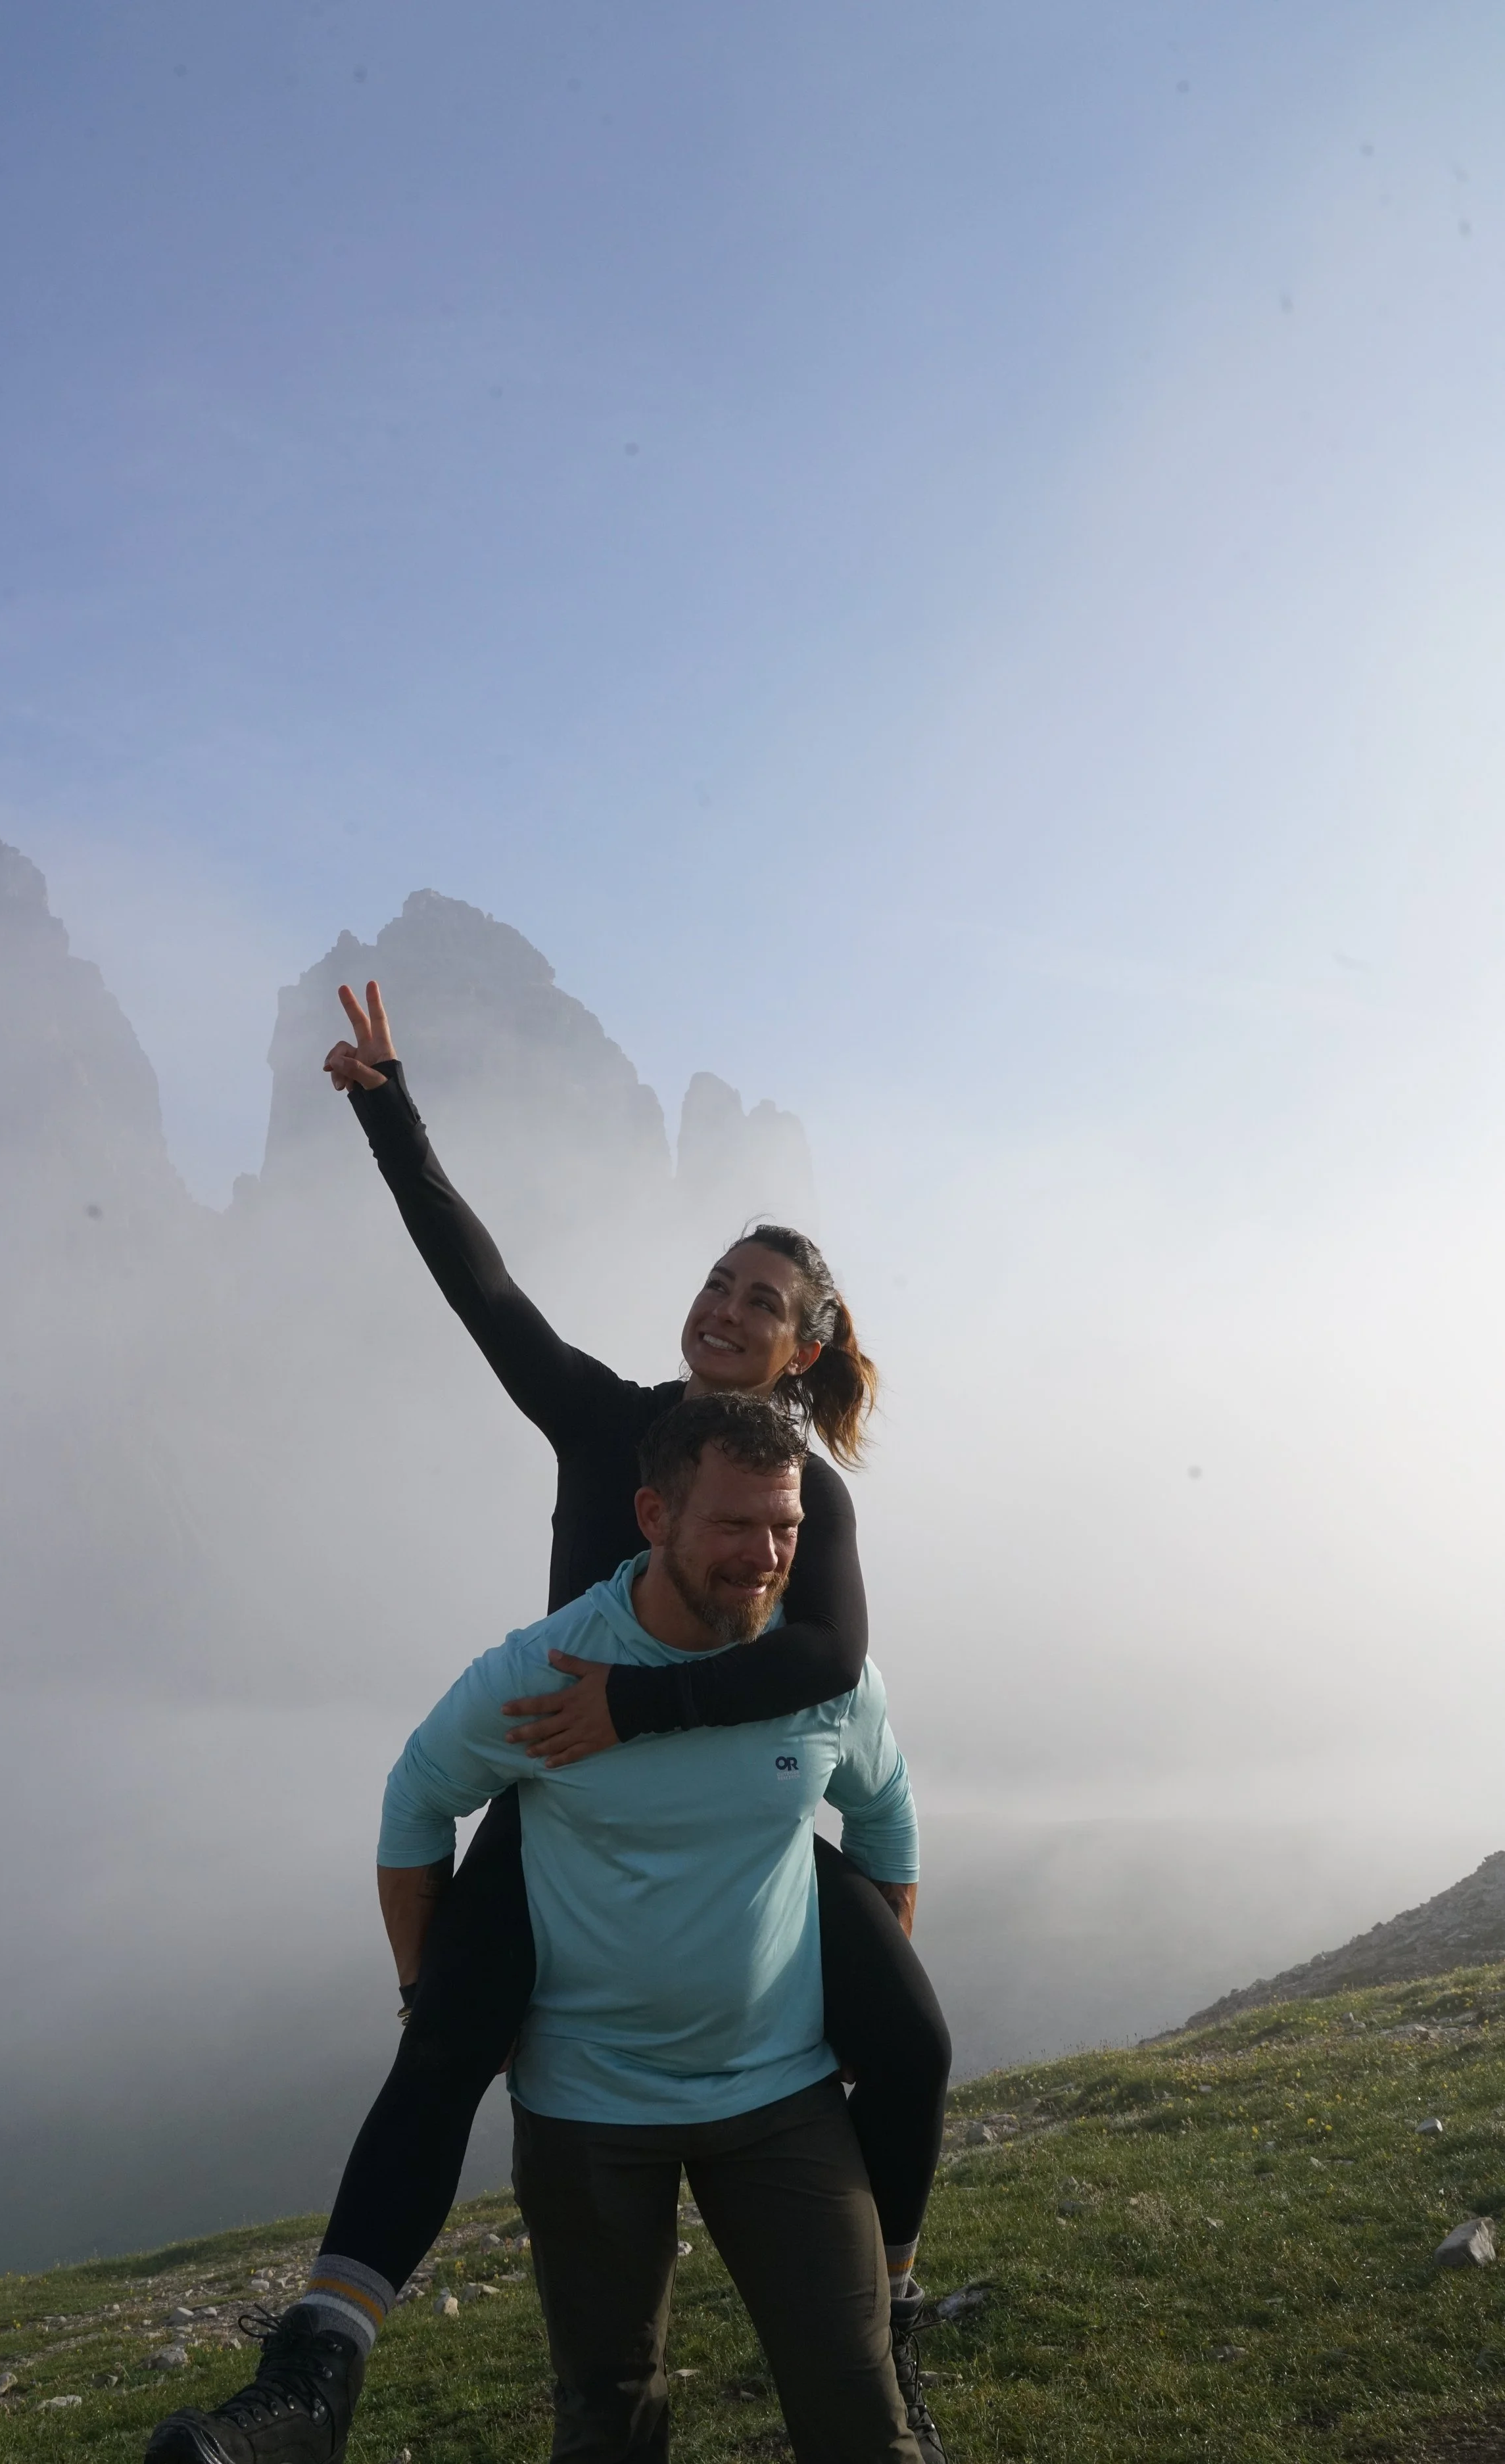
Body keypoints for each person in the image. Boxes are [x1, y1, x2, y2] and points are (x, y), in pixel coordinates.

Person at [143, 987, 950, 2464]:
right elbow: (483, 1286)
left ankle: (885, 2310)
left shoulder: (803, 1497)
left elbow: (828, 1654)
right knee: (443, 2030)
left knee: (909, 2035)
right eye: (716, 1275)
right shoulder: (607, 1419)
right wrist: (389, 1108)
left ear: (801, 1349)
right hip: (563, 1802)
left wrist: (632, 1704)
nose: (722, 1302)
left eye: (760, 1297)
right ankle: (313, 2373)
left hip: (731, 1800)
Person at [157, 1398, 928, 2464]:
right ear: (654, 1515)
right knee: (609, 2417)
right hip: (589, 2110)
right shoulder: (549, 1674)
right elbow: (417, 1800)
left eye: (787, 1528)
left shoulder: (818, 1679)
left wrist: (870, 1977)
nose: (765, 1559)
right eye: (735, 1527)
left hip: (780, 2098)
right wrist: (430, 1987)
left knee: (859, 2414)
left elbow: (885, 1812)